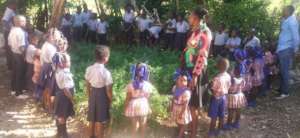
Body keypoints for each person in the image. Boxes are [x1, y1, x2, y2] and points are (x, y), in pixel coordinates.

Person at [185, 7, 210, 138]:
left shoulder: (205, 33)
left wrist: (194, 76)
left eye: (190, 15)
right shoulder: (195, 31)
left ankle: (193, 134)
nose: (189, 18)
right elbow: (190, 50)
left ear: (196, 18)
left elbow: (202, 56)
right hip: (190, 69)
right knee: (190, 103)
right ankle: (190, 128)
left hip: (197, 71)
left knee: (194, 104)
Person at [85, 45, 113, 138]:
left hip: (93, 93)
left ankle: (91, 136)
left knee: (91, 119)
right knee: (100, 120)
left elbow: (87, 84)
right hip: (102, 95)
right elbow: (108, 90)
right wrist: (111, 99)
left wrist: (89, 96)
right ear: (105, 58)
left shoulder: (89, 69)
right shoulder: (106, 72)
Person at [275, 5, 300, 99]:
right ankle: (281, 88)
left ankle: (285, 92)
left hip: (286, 48)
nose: (282, 11)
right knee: (282, 70)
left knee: (284, 71)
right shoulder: (286, 20)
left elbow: (296, 36)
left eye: (284, 10)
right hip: (282, 48)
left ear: (289, 11)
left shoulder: (292, 21)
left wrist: (295, 49)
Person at [124, 63, 153, 138]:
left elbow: (128, 98)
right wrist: (149, 107)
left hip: (133, 103)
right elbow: (147, 97)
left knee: (135, 126)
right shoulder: (147, 85)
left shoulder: (131, 84)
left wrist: (125, 107)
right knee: (143, 124)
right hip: (143, 104)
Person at [53, 53, 75, 138]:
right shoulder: (64, 74)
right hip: (64, 97)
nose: (70, 62)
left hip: (60, 95)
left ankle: (60, 132)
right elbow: (66, 89)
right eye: (69, 61)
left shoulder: (59, 71)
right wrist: (72, 98)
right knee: (63, 115)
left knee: (61, 114)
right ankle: (63, 133)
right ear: (63, 63)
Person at [208, 58, 231, 137]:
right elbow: (229, 86)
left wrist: (210, 86)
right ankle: (219, 130)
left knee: (214, 116)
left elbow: (213, 90)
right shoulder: (228, 76)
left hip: (216, 98)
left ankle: (211, 132)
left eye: (217, 64)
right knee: (221, 115)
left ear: (219, 67)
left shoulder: (217, 78)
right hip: (224, 97)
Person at [8, 15, 29, 99]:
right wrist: (24, 56)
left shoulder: (12, 30)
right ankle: (18, 93)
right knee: (20, 73)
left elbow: (9, 43)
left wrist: (14, 50)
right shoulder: (20, 32)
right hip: (20, 55)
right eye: (24, 21)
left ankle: (13, 89)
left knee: (15, 72)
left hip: (13, 53)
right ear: (19, 22)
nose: (25, 22)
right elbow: (22, 47)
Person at [170, 69, 192, 138]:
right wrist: (171, 106)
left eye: (185, 80)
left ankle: (180, 135)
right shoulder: (175, 88)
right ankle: (181, 132)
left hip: (183, 109)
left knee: (183, 124)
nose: (183, 82)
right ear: (177, 81)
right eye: (181, 80)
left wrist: (181, 113)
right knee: (177, 121)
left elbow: (186, 104)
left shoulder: (186, 92)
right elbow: (173, 98)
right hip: (176, 108)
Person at [224, 65, 247, 130]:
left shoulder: (232, 80)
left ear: (235, 72)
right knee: (238, 110)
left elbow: (228, 88)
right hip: (239, 95)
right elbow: (243, 86)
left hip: (232, 96)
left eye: (232, 70)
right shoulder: (242, 79)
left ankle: (228, 124)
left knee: (231, 111)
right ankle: (236, 123)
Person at [2, 1, 16, 70]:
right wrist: (10, 28)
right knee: (9, 49)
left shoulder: (10, 10)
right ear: (11, 4)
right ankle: (10, 65)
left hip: (8, 32)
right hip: (8, 32)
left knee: (9, 48)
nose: (16, 6)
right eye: (15, 4)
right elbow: (4, 21)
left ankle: (10, 64)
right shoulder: (9, 11)